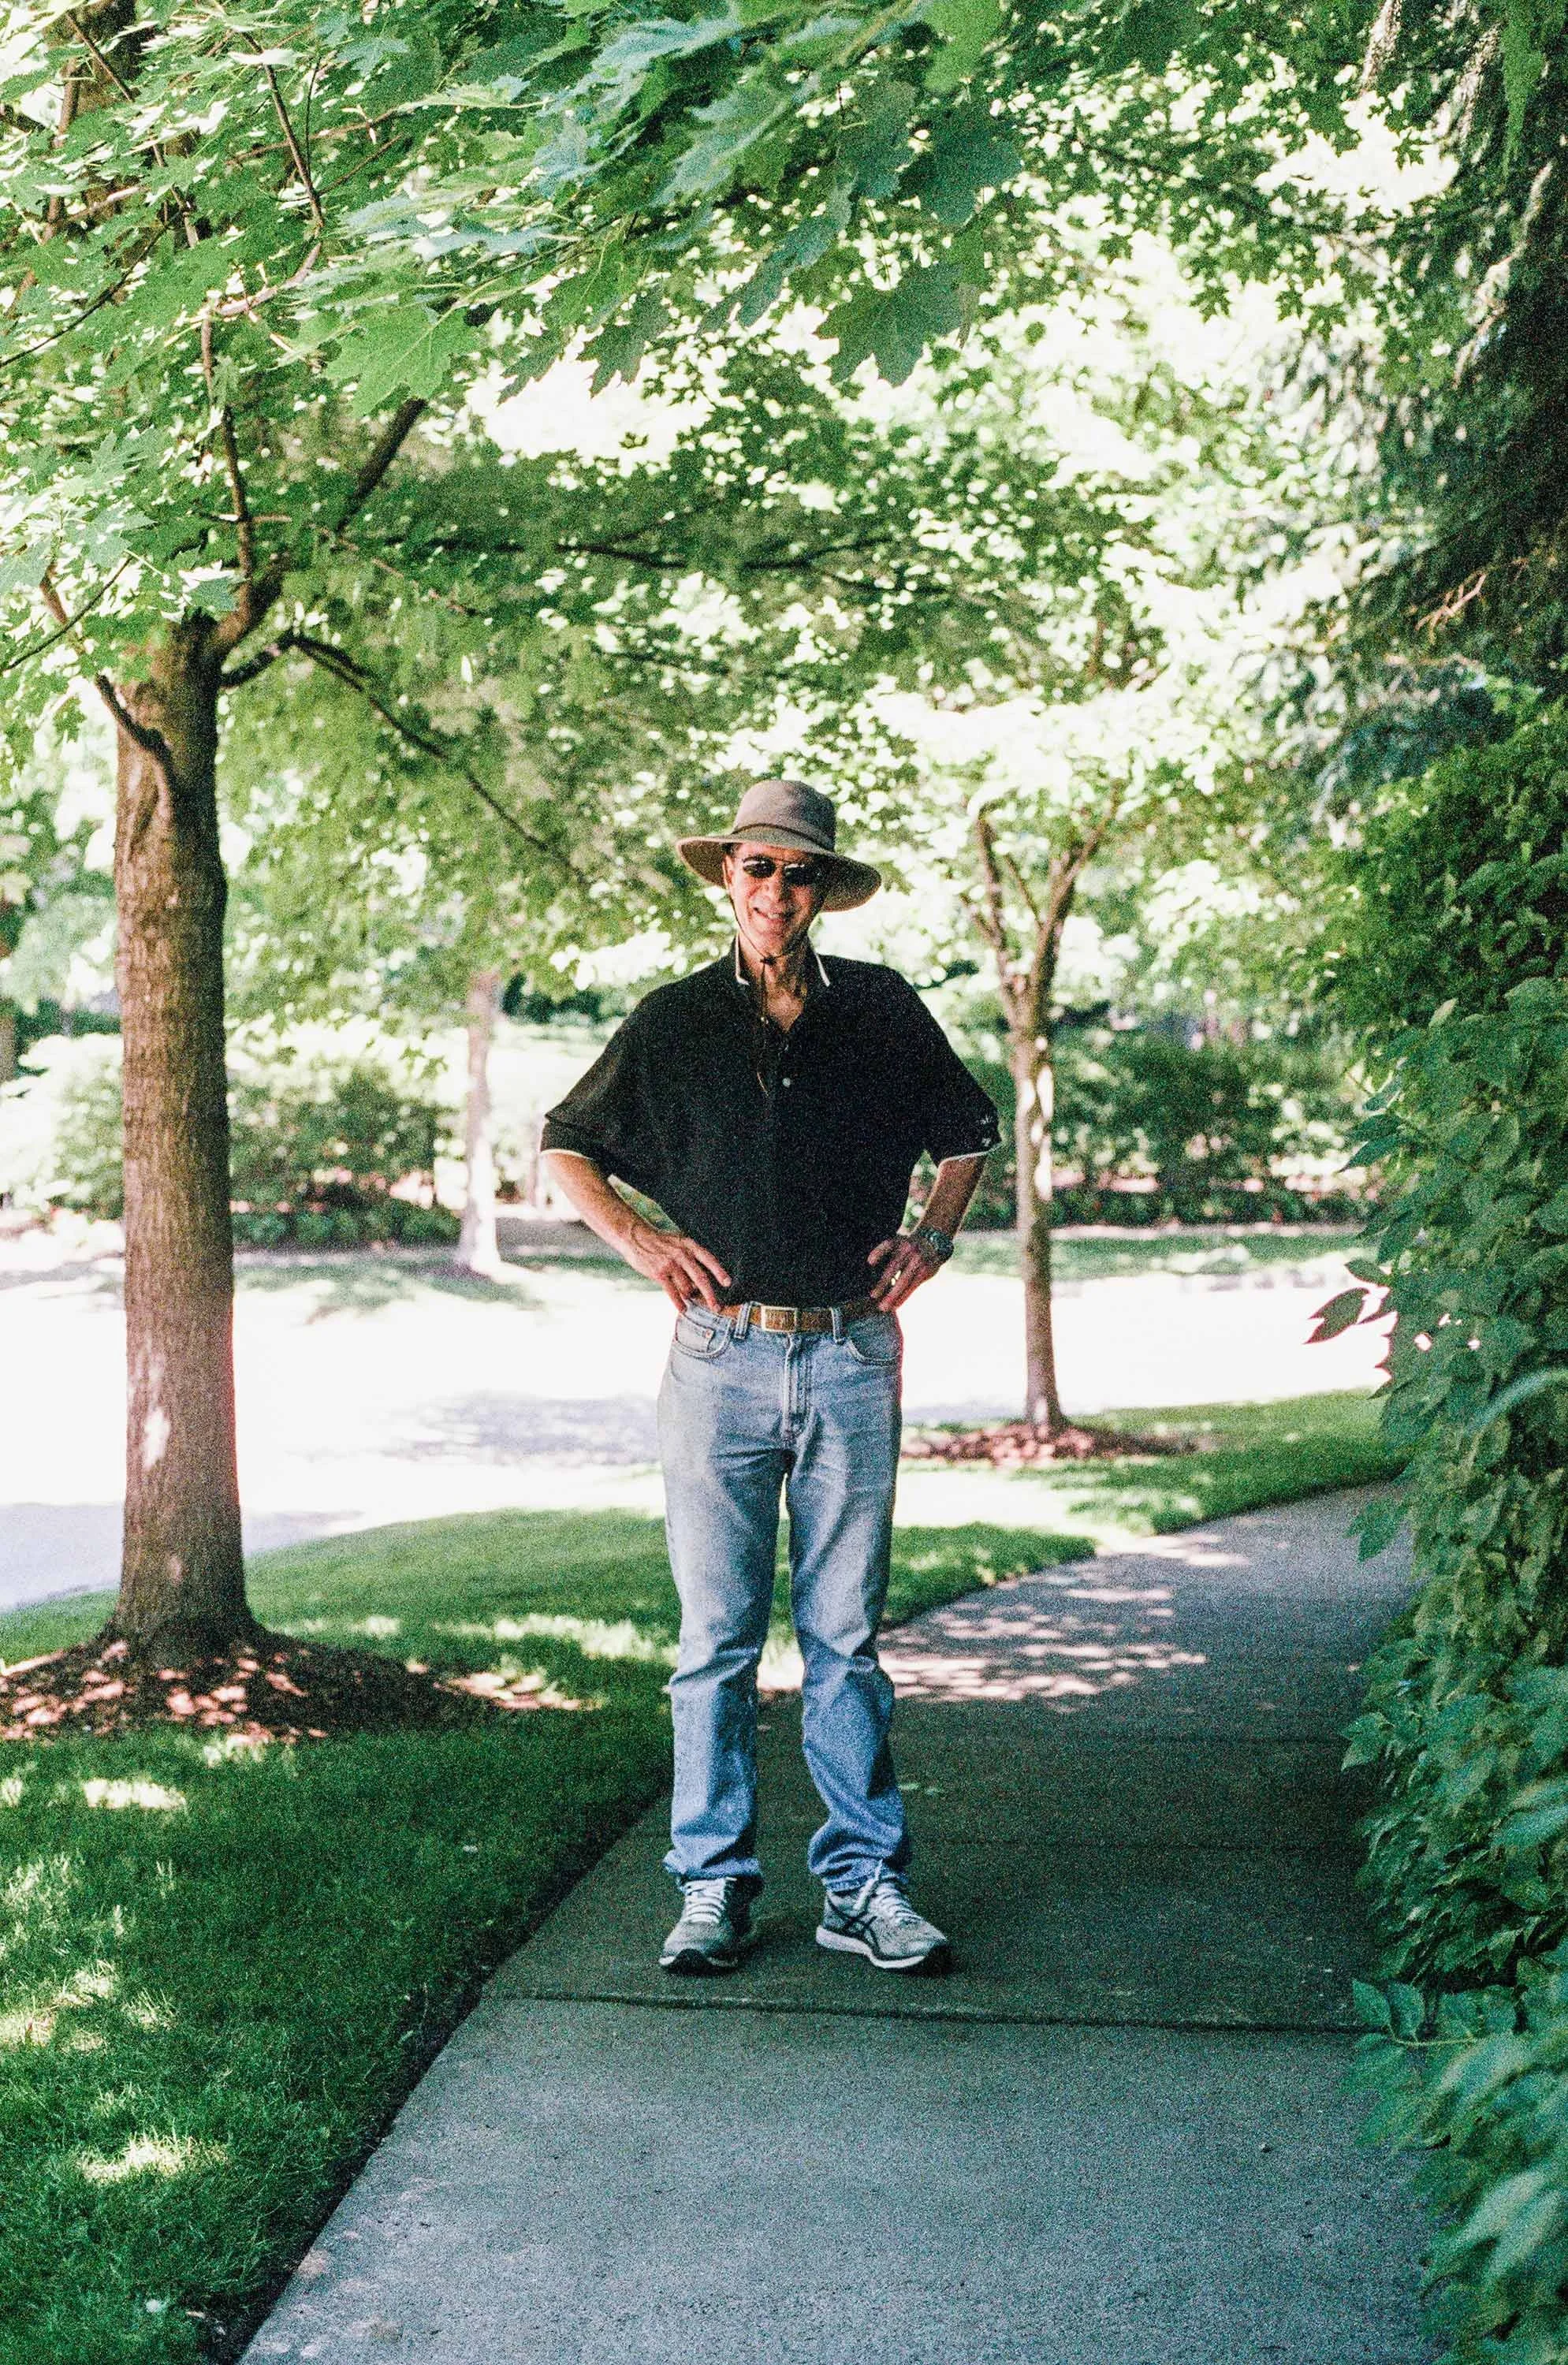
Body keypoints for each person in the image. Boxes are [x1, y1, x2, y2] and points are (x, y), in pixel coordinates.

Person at [540, 778, 999, 1976]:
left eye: (800, 873)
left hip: (851, 1353)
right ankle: (712, 1888)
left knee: (845, 1638)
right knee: (716, 1642)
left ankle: (863, 1887)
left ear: (824, 892)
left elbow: (969, 1132)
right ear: (727, 879)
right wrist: (642, 1241)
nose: (776, 892)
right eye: (757, 868)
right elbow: (566, 1146)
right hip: (720, 1359)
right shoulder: (674, 1018)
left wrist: (933, 1235)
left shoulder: (886, 1011)